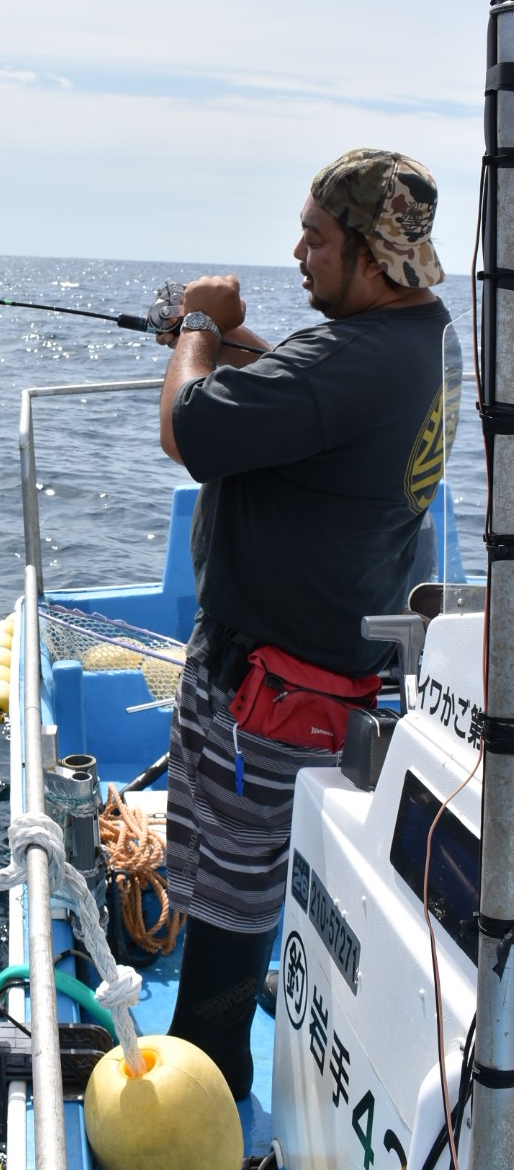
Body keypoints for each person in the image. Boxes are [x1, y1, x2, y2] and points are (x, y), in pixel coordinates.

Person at [156, 148, 454, 1099]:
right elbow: (303, 405)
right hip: (299, 677)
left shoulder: (358, 358)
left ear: (372, 253)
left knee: (232, 909)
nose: (298, 251)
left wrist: (201, 323)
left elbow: (192, 432)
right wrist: (237, 345)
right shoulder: (425, 337)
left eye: (317, 238)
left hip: (273, 699)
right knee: (215, 885)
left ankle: (209, 1097)